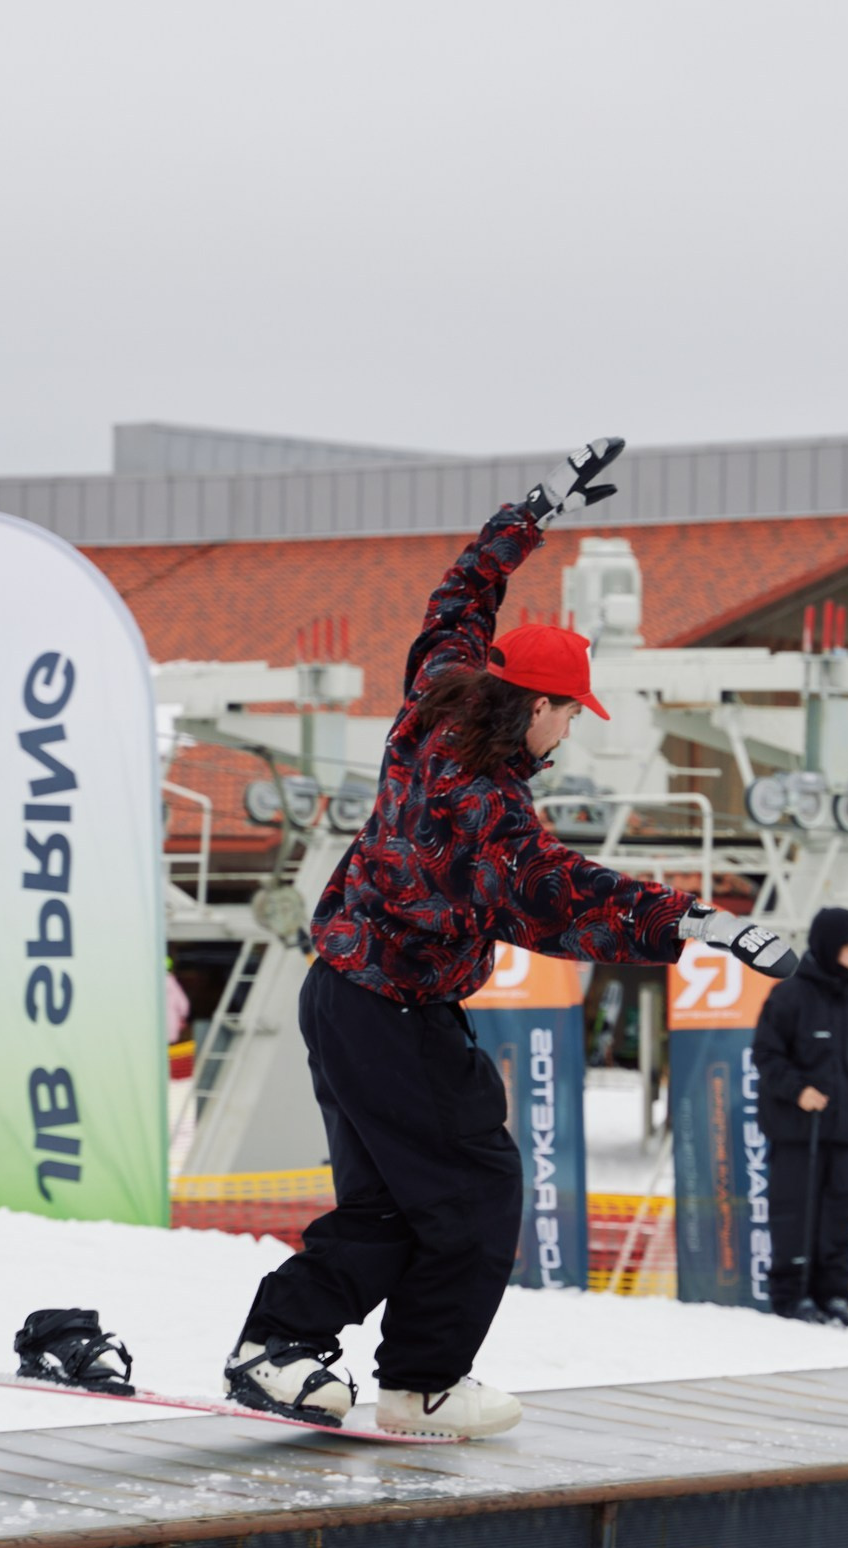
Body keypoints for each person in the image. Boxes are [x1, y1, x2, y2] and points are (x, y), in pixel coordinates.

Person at [198, 442, 797, 1441]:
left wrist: (535, 510)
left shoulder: (434, 700)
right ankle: (422, 1382)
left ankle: (285, 1348)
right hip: (395, 1014)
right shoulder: (487, 808)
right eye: (571, 716)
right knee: (475, 1191)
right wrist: (702, 923)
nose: (570, 736)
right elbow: (560, 898)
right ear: (543, 706)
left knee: (393, 1205)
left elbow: (462, 590)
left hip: (339, 996)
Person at [753, 907, 848, 1323]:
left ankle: (833, 1294)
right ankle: (792, 1296)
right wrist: (798, 1091)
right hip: (799, 1132)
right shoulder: (789, 996)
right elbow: (766, 1056)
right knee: (796, 1211)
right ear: (828, 945)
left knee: (840, 1213)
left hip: (842, 1132)